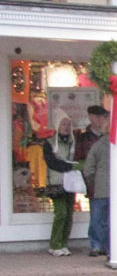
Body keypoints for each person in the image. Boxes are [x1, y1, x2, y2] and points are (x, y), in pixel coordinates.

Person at [76, 105, 110, 256]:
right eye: (97, 117)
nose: (100, 120)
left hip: (108, 182)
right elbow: (79, 159)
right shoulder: (84, 138)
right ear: (90, 117)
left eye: (102, 117)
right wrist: (87, 177)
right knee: (96, 216)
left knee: (107, 217)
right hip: (93, 183)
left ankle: (106, 245)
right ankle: (96, 244)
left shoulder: (109, 137)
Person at [41, 110, 76, 256]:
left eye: (68, 124)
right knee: (61, 213)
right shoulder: (49, 143)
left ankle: (63, 243)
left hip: (71, 182)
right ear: (57, 125)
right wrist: (71, 166)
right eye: (63, 124)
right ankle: (54, 244)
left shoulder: (74, 142)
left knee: (69, 214)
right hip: (55, 182)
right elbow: (52, 162)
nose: (66, 127)